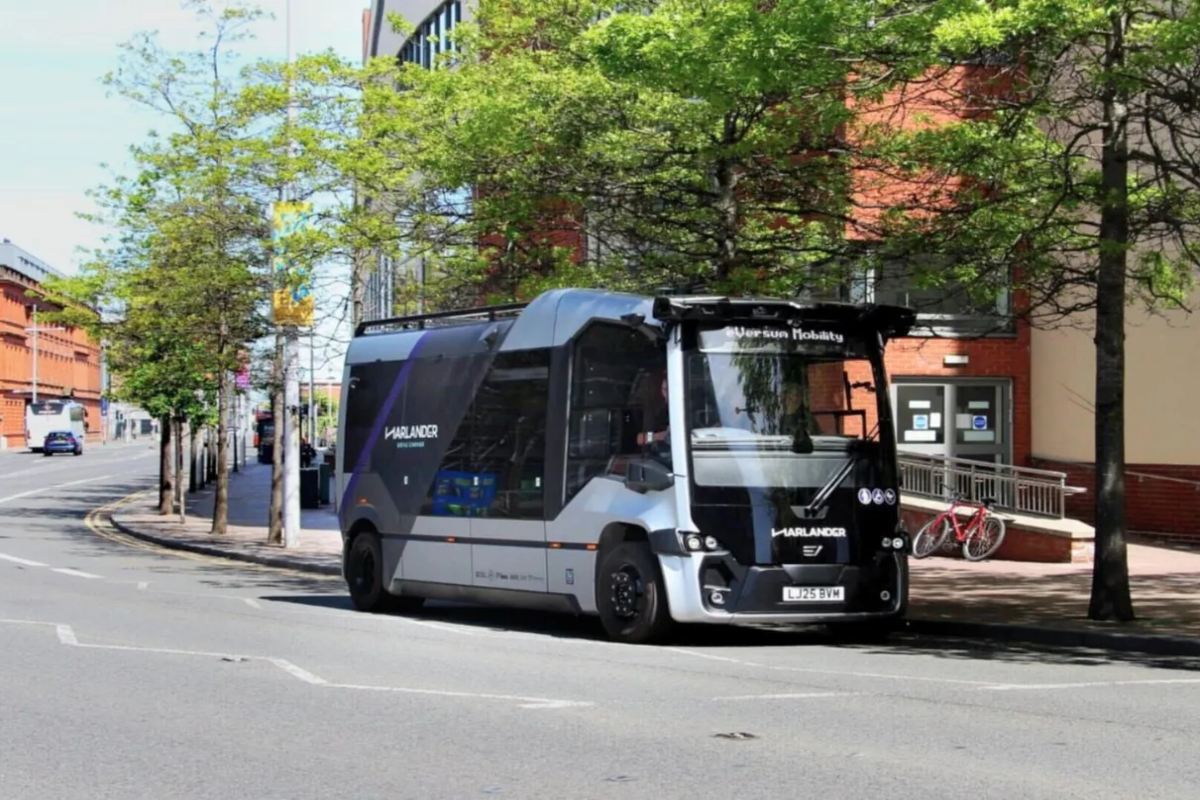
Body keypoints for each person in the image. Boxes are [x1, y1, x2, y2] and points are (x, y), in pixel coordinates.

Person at [637, 373, 670, 447]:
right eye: (663, 389)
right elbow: (640, 439)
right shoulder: (662, 411)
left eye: (666, 389)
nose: (664, 393)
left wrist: (653, 437)